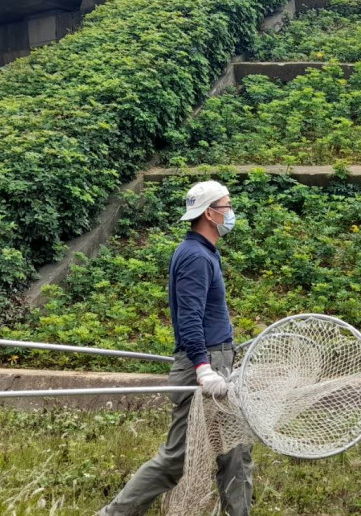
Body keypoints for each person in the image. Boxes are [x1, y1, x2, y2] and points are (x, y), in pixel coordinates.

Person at [99, 180, 253, 516]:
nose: (231, 212)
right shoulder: (195, 257)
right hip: (204, 365)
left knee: (235, 451)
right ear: (210, 214)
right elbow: (189, 318)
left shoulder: (204, 252)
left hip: (216, 358)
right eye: (227, 206)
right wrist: (203, 367)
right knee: (176, 459)